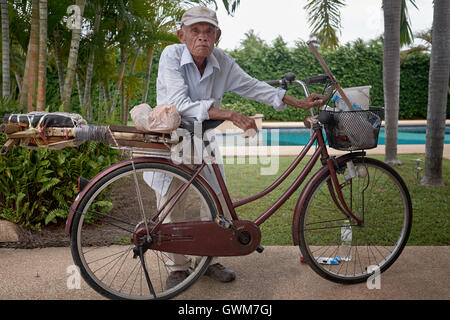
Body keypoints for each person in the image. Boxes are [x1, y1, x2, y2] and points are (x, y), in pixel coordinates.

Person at [149, 6, 324, 289]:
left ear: (218, 36)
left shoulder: (222, 61)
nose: (202, 37)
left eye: (208, 31)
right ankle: (177, 267)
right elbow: (179, 105)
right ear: (182, 35)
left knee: (217, 200)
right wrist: (229, 114)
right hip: (171, 137)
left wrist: (300, 103)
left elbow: (253, 86)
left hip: (203, 138)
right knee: (172, 201)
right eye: (195, 31)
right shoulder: (171, 55)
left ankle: (210, 260)